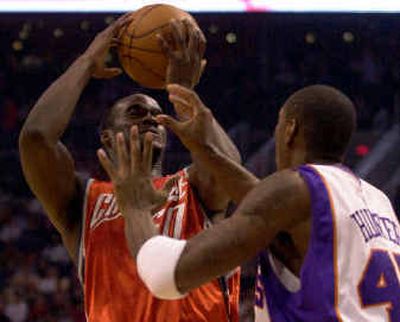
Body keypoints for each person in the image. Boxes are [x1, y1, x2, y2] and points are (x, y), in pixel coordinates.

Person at [99, 83, 400, 321]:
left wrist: (135, 206)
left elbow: (164, 275)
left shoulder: (293, 188)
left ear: (290, 129)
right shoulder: (376, 200)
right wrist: (205, 150)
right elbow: (269, 206)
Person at [19, 15, 241, 322]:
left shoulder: (192, 187)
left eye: (157, 114)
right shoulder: (85, 201)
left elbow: (229, 169)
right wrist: (85, 62)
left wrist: (182, 93)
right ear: (107, 137)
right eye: (137, 112)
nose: (151, 118)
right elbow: (35, 139)